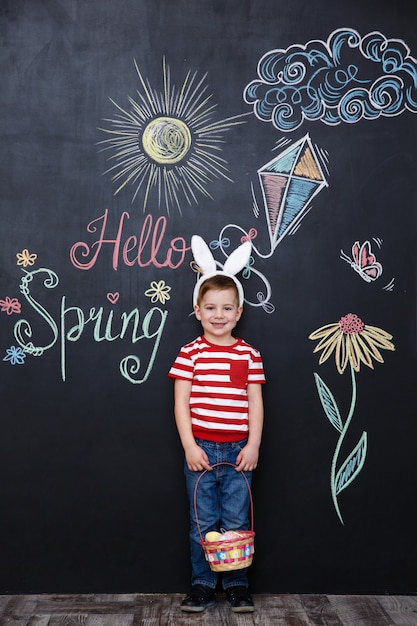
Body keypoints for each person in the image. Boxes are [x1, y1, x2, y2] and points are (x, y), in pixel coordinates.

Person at [168, 235, 265, 613]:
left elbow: (255, 404)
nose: (219, 315)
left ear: (239, 312)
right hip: (202, 450)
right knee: (202, 522)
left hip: (239, 449)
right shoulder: (189, 354)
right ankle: (203, 584)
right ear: (197, 310)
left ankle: (238, 585)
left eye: (227, 308)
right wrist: (190, 447)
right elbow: (181, 404)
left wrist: (253, 445)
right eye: (211, 308)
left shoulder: (249, 354)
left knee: (238, 521)